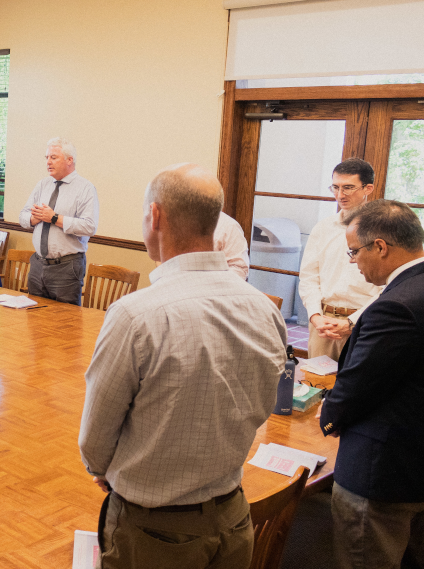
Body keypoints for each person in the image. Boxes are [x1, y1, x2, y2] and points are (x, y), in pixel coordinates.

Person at [79, 163, 286, 569]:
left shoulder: (135, 315)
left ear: (154, 216)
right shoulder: (264, 309)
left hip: (155, 533)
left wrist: (105, 469)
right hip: (233, 517)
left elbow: (95, 437)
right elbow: (261, 406)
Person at [319, 199, 424, 569]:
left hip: (383, 471)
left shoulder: (396, 306)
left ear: (380, 246)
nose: (352, 261)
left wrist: (327, 417)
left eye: (354, 251)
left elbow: (360, 384)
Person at [298, 158, 383, 359]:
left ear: (367, 188)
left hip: (365, 325)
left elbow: (388, 287)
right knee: (315, 386)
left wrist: (352, 322)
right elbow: (309, 277)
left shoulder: (383, 231)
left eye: (348, 188)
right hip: (323, 325)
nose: (340, 195)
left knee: (355, 388)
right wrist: (315, 316)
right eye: (335, 187)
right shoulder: (323, 228)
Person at [19, 137, 99, 305]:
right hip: (38, 264)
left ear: (70, 160)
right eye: (46, 157)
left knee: (65, 323)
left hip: (66, 267)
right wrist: (34, 218)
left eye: (53, 157)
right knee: (35, 321)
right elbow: (23, 217)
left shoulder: (85, 188)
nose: (48, 162)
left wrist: (55, 218)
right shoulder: (43, 185)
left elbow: (89, 227)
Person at [214, 211, 250, 280]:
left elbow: (239, 269)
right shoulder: (187, 221)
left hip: (215, 288)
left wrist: (211, 282)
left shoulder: (228, 226)